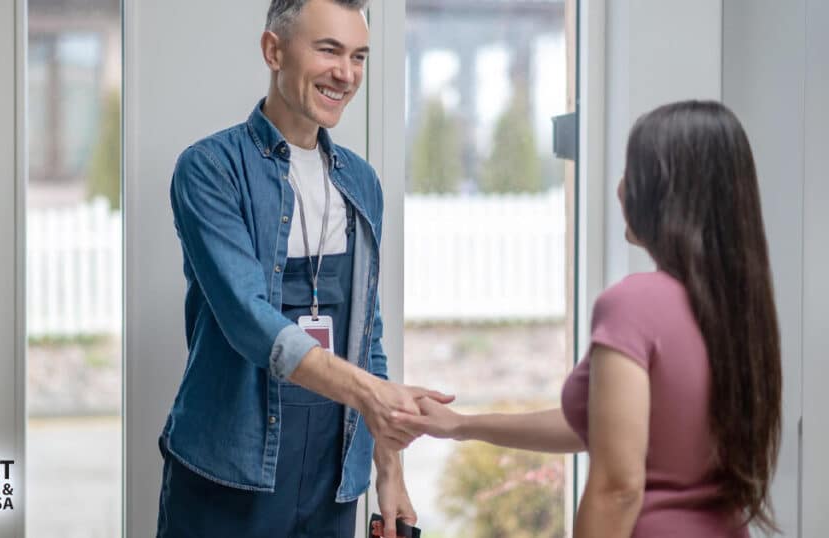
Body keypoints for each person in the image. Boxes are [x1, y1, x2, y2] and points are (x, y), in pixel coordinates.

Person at [393, 101, 782, 537]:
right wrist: (462, 425)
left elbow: (618, 487)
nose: (620, 189)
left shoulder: (635, 304)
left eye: (634, 173)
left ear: (667, 191)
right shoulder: (740, 311)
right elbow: (604, 427)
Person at [157, 1, 452, 536]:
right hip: (229, 470)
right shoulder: (210, 169)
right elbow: (249, 320)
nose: (346, 73)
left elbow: (368, 335)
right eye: (329, 50)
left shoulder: (361, 183)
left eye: (359, 56)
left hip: (332, 476)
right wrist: (370, 393)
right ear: (273, 50)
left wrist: (389, 468)